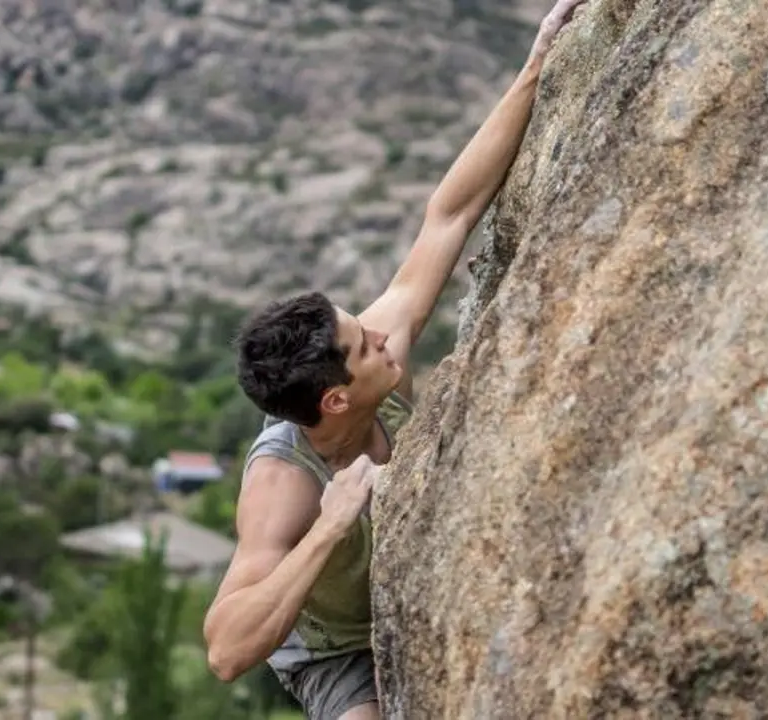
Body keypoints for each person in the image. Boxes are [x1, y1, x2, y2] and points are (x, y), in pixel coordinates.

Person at [202, 1, 590, 717]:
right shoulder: (283, 486)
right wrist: (330, 523)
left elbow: (449, 214)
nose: (384, 337)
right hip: (335, 651)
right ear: (335, 400)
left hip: (421, 582)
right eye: (363, 347)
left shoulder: (373, 353)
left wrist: (536, 66)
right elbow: (226, 651)